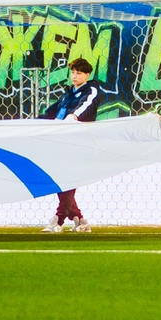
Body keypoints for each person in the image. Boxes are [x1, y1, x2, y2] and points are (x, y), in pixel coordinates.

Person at [40, 56, 102, 235]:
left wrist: (73, 117)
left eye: (79, 73)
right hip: (60, 139)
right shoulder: (67, 93)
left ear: (87, 75)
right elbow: (53, 111)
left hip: (77, 140)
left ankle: (58, 220)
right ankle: (79, 220)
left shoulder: (91, 90)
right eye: (73, 72)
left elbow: (85, 107)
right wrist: (36, 122)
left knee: (67, 178)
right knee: (61, 178)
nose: (74, 76)